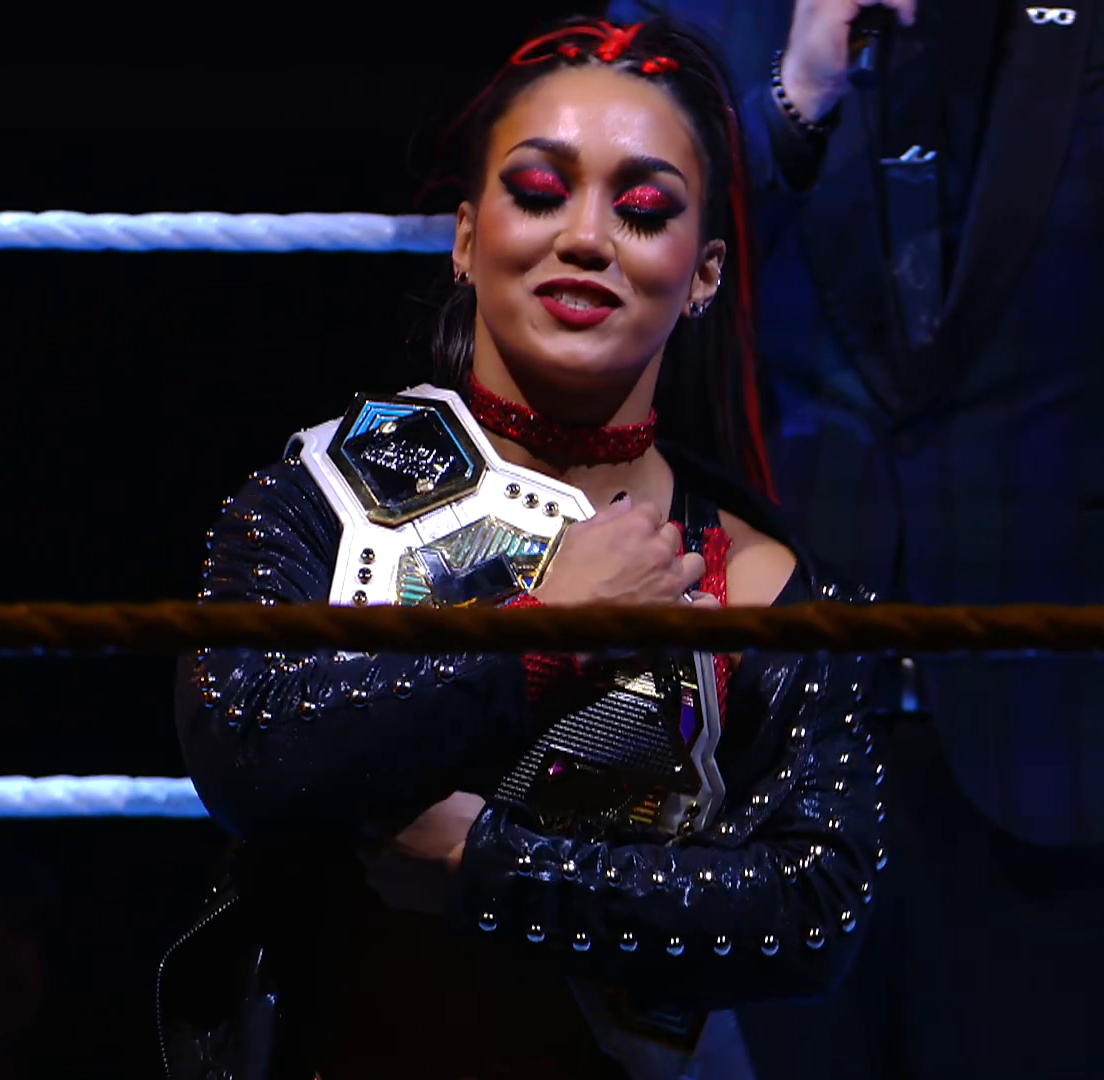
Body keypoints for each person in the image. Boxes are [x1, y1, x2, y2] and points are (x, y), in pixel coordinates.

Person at [604, 0, 1104, 1076]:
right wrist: (792, 104)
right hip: (754, 751)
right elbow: (609, 313)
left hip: (1075, 749)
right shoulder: (690, 17)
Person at [160, 16, 891, 1079]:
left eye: (643, 209)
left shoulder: (772, 584)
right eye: (542, 192)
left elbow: (813, 915)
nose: (586, 238)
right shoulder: (317, 495)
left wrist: (488, 870)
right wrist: (544, 636)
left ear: (705, 273)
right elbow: (247, 755)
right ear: (465, 238)